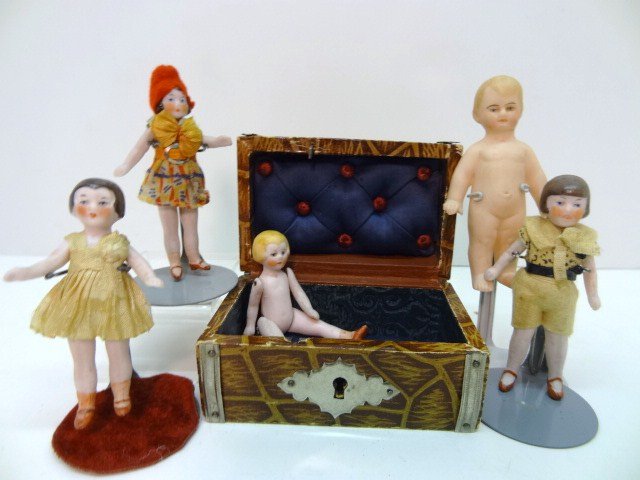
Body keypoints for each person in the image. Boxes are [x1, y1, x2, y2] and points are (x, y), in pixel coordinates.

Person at [4, 178, 162, 429]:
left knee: (118, 351)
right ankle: (86, 402)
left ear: (118, 211)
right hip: (78, 303)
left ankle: (121, 394)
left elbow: (138, 262)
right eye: (84, 201)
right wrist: (25, 272)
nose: (93, 207)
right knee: (82, 357)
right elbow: (50, 263)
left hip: (115, 301)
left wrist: (150, 277)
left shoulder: (120, 242)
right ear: (73, 208)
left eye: (103, 202)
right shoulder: (73, 241)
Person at [484, 175, 600, 400]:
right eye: (560, 202)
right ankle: (511, 369)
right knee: (522, 332)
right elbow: (512, 251)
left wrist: (593, 295)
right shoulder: (533, 227)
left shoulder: (585, 238)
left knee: (558, 336)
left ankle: (555, 375)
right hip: (530, 289)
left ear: (586, 208)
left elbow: (590, 269)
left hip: (562, 293)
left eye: (577, 204)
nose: (568, 210)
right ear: (546, 202)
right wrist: (496, 269)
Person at [114, 65, 232, 281]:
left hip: (189, 181)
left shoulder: (190, 128)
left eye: (182, 99)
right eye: (171, 99)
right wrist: (126, 165)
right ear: (160, 103)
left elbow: (203, 140)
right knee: (169, 228)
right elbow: (139, 148)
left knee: (191, 224)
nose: (178, 103)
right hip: (164, 182)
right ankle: (175, 261)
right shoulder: (156, 127)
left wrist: (218, 141)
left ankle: (194, 257)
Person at [443, 75, 547, 291]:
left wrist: (545, 206)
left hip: (516, 209)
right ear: (477, 114)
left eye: (510, 107)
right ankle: (479, 274)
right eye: (494, 109)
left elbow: (537, 177)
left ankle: (507, 271)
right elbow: (462, 175)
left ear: (521, 110)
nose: (503, 114)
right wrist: (455, 199)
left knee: (511, 240)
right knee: (482, 241)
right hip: (484, 207)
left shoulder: (523, 150)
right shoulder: (478, 150)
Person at [244, 230, 368, 340]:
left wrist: (309, 310)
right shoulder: (259, 282)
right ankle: (287, 348)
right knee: (267, 327)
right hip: (270, 323)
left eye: (283, 252)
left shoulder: (287, 273)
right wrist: (250, 326)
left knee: (318, 325)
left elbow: (298, 293)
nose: (280, 257)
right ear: (260, 256)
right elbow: (253, 306)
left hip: (291, 318)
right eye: (273, 254)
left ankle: (349, 335)